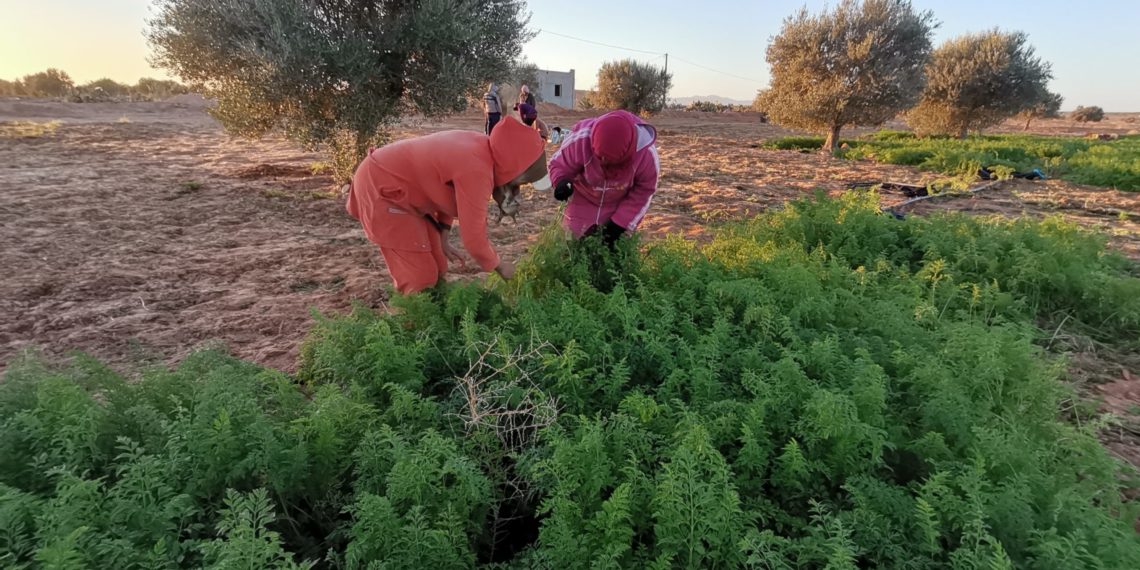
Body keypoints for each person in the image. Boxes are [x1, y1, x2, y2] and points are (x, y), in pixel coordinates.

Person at [346, 116, 551, 294]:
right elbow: (474, 240)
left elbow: (445, 187)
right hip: (383, 189)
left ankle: (433, 317)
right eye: (519, 183)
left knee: (439, 265)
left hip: (404, 190)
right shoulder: (477, 170)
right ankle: (413, 330)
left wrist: (443, 236)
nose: (516, 191)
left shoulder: (483, 148)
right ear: (513, 169)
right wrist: (500, 266)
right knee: (420, 277)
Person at [548, 109, 659, 246]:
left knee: (614, 250)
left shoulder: (645, 155)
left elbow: (644, 191)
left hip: (618, 204)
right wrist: (561, 181)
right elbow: (558, 164)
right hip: (583, 197)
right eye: (601, 159)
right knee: (572, 246)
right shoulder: (580, 139)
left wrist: (618, 226)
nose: (605, 166)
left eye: (613, 164)